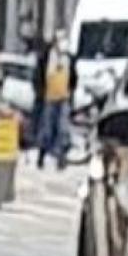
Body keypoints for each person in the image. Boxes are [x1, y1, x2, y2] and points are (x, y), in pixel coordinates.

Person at [32, 29, 76, 169]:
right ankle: (41, 156)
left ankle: (61, 159)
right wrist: (40, 93)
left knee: (63, 129)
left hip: (64, 98)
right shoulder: (46, 57)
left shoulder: (68, 58)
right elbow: (38, 77)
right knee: (47, 129)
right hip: (49, 98)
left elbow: (73, 77)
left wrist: (70, 92)